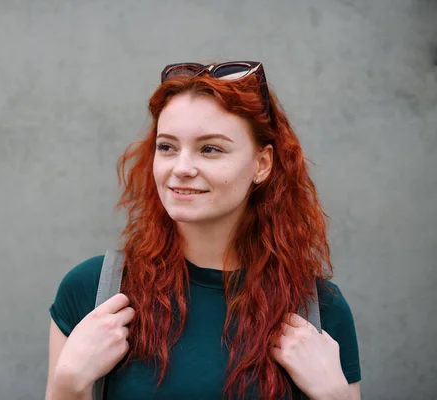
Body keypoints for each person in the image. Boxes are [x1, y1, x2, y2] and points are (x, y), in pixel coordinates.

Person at [45, 61, 361, 400]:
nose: (181, 168)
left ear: (262, 164)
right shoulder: (93, 291)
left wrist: (333, 396)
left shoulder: (319, 311)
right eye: (167, 147)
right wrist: (67, 384)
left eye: (210, 148)